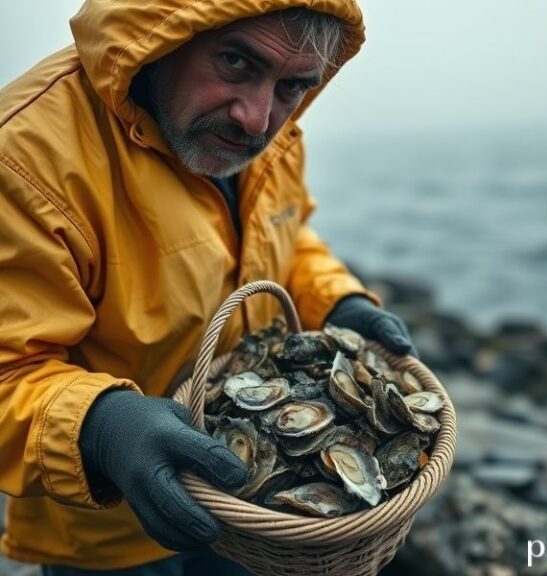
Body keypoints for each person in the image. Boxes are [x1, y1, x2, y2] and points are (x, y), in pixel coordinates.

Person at [0, 0, 415, 574]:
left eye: (293, 86)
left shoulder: (267, 129)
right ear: (164, 38)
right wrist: (100, 429)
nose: (256, 118)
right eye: (235, 62)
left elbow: (282, 236)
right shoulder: (23, 157)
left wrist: (335, 299)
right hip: (112, 530)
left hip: (255, 508)